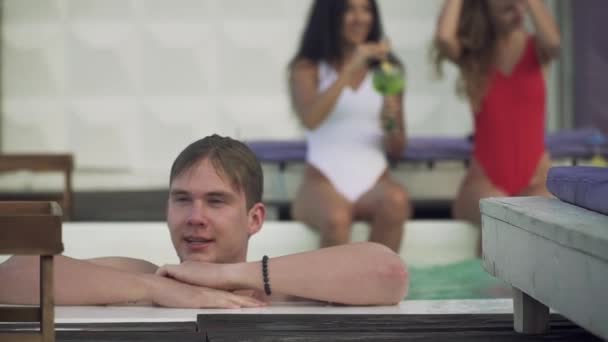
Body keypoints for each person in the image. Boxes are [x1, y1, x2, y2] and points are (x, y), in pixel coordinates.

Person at [0, 135, 408, 308]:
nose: (195, 218)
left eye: (216, 201)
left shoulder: (286, 285)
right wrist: (159, 290)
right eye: (182, 200)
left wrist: (235, 276)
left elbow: (389, 271)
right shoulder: (145, 278)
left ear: (255, 218)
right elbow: (13, 274)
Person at [288, 0, 411, 252]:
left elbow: (397, 148)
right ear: (330, 15)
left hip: (375, 181)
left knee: (397, 201)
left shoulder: (389, 70)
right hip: (322, 181)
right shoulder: (306, 68)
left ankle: (375, 290)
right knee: (336, 218)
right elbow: (311, 119)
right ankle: (327, 292)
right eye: (349, 10)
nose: (360, 18)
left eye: (366, 9)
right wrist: (349, 69)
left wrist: (390, 122)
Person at [433, 0, 560, 230]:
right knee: (498, 212)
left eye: (521, 6)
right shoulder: (474, 57)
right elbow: (444, 38)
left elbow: (553, 42)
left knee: (543, 216)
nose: (518, 12)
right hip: (485, 180)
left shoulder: (538, 50)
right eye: (508, 8)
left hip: (536, 178)